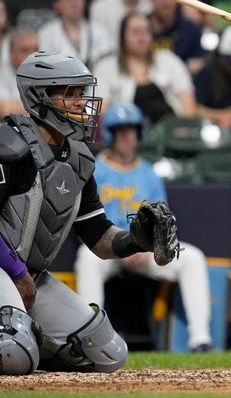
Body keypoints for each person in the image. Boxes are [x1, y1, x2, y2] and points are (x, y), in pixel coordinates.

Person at [0, 50, 180, 375]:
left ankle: (32, 342)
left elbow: (98, 237)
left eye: (82, 93)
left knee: (107, 353)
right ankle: (22, 341)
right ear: (38, 97)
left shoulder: (77, 159)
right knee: (13, 354)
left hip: (28, 277)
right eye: (69, 93)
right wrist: (16, 273)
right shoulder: (10, 146)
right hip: (6, 270)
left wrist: (136, 240)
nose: (81, 102)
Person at [74, 102, 213, 352]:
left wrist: (144, 247)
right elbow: (85, 221)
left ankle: (200, 339)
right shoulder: (93, 169)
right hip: (107, 248)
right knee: (87, 258)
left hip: (145, 250)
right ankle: (90, 335)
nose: (128, 136)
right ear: (110, 134)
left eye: (132, 130)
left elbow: (162, 222)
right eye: (121, 130)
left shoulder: (149, 173)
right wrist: (123, 247)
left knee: (193, 258)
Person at [93, 13, 196, 125]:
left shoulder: (169, 60)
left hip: (170, 130)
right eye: (135, 32)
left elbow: (188, 104)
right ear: (123, 37)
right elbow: (100, 112)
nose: (142, 37)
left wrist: (184, 129)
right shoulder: (105, 67)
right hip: (125, 131)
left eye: (146, 31)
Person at [38, 0, 114, 70]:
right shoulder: (46, 34)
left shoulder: (100, 32)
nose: (74, 2)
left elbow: (109, 65)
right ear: (57, 4)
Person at [0, 29, 39, 117]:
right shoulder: (2, 73)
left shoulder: (47, 73)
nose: (32, 55)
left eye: (36, 49)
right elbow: (3, 109)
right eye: (25, 50)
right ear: (11, 53)